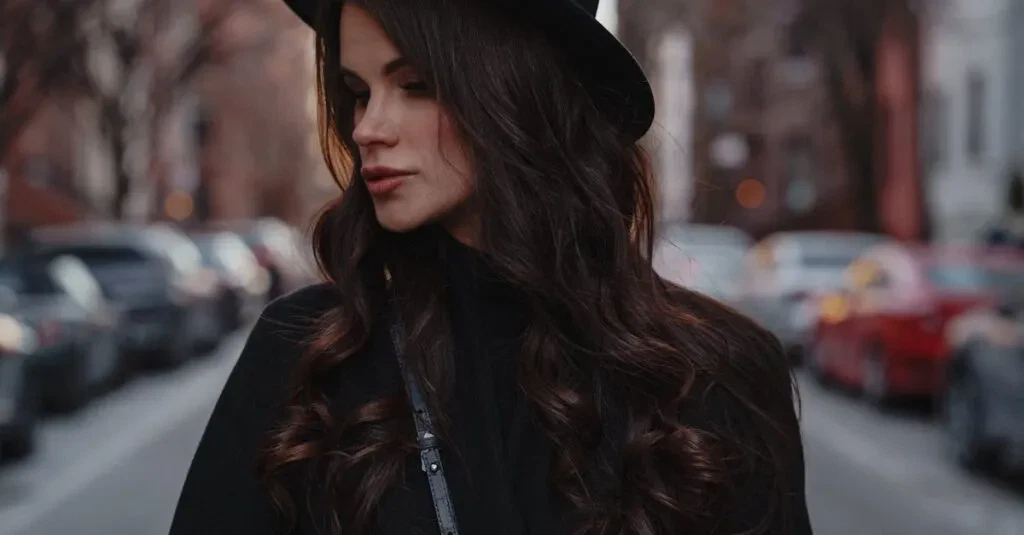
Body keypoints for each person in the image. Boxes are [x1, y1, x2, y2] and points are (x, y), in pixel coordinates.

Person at [169, 0, 813, 534]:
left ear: (518, 91)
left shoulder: (722, 374)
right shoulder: (305, 356)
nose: (367, 127)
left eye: (415, 84)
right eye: (358, 92)